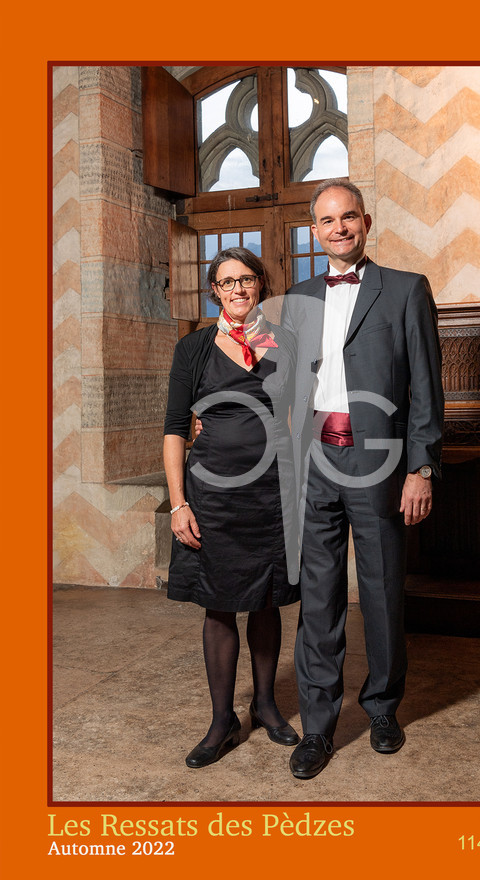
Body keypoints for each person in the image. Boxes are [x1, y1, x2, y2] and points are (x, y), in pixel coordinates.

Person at [281, 179, 444, 779]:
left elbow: (426, 387)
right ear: (314, 231)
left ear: (366, 222)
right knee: (318, 598)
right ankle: (317, 728)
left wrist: (420, 468)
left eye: (348, 217)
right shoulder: (297, 298)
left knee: (380, 589)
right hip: (314, 464)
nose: (339, 228)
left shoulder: (405, 289)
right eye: (327, 221)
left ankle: (381, 708)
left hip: (380, 464)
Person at [163, 247, 300, 769]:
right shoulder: (194, 348)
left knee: (267, 599)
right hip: (213, 494)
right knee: (218, 604)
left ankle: (265, 705)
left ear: (260, 284)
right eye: (226, 282)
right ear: (214, 291)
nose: (238, 289)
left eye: (246, 279)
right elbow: (175, 428)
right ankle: (222, 721)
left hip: (272, 493)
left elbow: (297, 417)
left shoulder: (285, 342)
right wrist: (178, 503)